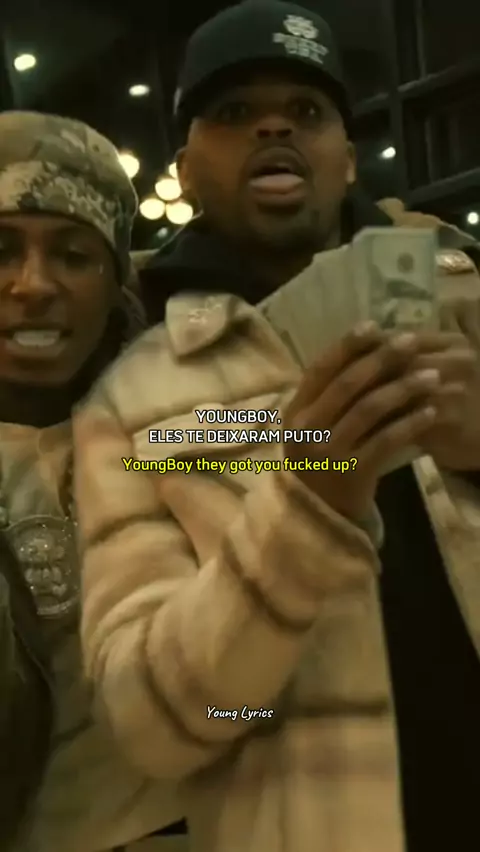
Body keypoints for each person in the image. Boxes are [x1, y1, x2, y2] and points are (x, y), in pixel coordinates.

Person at [74, 3, 480, 851]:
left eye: (306, 110)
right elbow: (153, 729)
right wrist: (306, 511)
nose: (273, 127)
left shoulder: (463, 298)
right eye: (233, 112)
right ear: (186, 170)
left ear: (348, 156)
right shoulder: (132, 402)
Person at [0, 111, 184, 852]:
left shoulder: (182, 421)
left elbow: (319, 458)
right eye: (1, 250)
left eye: (74, 255)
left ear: (115, 282)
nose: (33, 285)